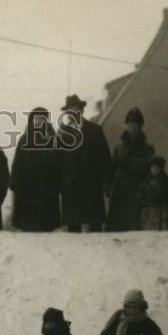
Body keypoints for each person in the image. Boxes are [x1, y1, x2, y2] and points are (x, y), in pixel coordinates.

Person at [58, 94, 112, 233]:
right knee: (73, 228)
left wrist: (106, 182)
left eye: (76, 110)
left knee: (95, 226)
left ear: (81, 111)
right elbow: (59, 162)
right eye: (70, 111)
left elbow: (104, 157)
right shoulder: (63, 135)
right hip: (71, 188)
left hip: (91, 185)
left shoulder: (95, 130)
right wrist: (59, 185)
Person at [10, 107, 61, 232]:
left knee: (46, 229)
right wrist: (15, 183)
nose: (38, 122)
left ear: (46, 122)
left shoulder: (52, 139)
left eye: (41, 119)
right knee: (29, 229)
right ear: (31, 121)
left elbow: (58, 162)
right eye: (35, 119)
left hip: (46, 191)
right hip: (27, 191)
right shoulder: (24, 139)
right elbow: (17, 163)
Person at [107, 107, 155, 232]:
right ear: (126, 126)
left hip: (137, 193)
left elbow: (148, 164)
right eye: (130, 125)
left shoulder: (148, 148)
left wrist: (129, 163)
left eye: (136, 125)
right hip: (119, 194)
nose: (132, 129)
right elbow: (111, 170)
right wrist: (108, 188)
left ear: (140, 127)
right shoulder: (119, 148)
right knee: (116, 232)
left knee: (134, 230)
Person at [137, 155, 168, 231]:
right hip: (149, 215)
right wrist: (146, 206)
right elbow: (140, 195)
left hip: (165, 216)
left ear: (161, 169)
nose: (155, 170)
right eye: (152, 167)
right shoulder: (145, 182)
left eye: (157, 167)